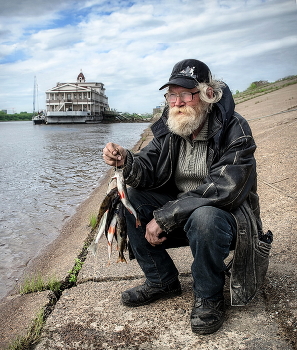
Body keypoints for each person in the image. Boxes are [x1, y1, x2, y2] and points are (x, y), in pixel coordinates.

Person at [103, 59, 271, 335]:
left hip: (225, 221)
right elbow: (147, 167)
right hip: (184, 216)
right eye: (172, 95)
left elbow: (224, 188)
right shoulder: (170, 130)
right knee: (128, 199)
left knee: (204, 216)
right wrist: (125, 159)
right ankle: (161, 281)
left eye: (186, 94)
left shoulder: (235, 128)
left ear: (207, 94)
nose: (177, 102)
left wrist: (166, 215)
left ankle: (209, 296)